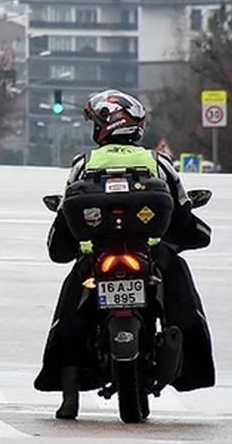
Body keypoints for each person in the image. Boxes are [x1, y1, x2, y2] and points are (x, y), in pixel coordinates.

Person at [35, 90, 214, 419]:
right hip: (152, 254)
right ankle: (191, 368)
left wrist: (65, 244)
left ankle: (69, 395)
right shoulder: (157, 162)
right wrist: (196, 232)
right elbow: (182, 209)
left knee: (69, 313)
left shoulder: (83, 164)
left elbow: (64, 220)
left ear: (104, 126)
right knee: (182, 299)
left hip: (95, 258)